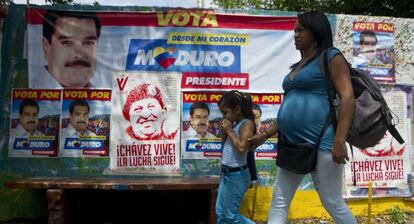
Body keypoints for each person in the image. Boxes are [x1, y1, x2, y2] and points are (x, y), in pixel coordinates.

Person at [249, 11, 357, 223]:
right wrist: (265, 135)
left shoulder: (331, 57)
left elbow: (348, 97)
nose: (295, 35)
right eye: (294, 30)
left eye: (300, 30)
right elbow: (290, 110)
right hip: (293, 144)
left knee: (331, 201)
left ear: (315, 32)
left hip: (324, 143)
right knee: (280, 200)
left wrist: (340, 140)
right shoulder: (297, 66)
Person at [216, 90, 256, 224]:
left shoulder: (246, 123)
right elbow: (226, 146)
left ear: (237, 109)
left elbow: (242, 147)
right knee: (220, 213)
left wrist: (229, 130)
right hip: (226, 173)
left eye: (225, 112)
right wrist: (225, 131)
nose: (224, 116)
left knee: (231, 216)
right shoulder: (234, 125)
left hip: (237, 176)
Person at [32, 10, 101, 88]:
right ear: (46, 46)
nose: (79, 54)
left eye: (88, 43)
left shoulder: (108, 97)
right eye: (67, 42)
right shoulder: (27, 95)